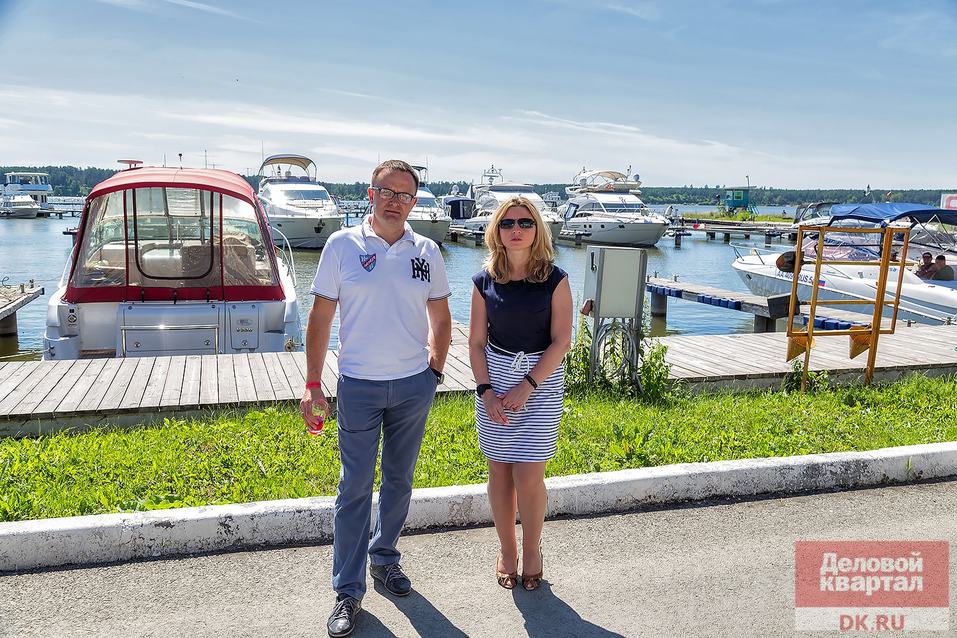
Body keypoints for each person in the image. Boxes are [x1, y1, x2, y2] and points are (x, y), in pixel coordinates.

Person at [301, 159, 452, 638]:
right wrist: (312, 384)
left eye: (405, 195)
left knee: (400, 480)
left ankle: (385, 557)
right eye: (387, 191)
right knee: (354, 488)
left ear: (414, 202)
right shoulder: (341, 246)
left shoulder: (426, 250)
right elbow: (321, 318)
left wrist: (435, 369)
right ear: (371, 193)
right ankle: (348, 591)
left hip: (413, 385)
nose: (395, 201)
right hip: (359, 385)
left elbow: (442, 315)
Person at [468, 196, 573, 592]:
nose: (516, 229)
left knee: (529, 475)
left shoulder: (555, 279)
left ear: (537, 230)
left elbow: (562, 341)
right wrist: (488, 392)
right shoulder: (483, 281)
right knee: (499, 472)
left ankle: (532, 552)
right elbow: (476, 343)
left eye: (525, 223)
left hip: (540, 383)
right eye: (508, 222)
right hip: (494, 379)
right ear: (496, 230)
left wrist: (527, 386)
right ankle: (506, 551)